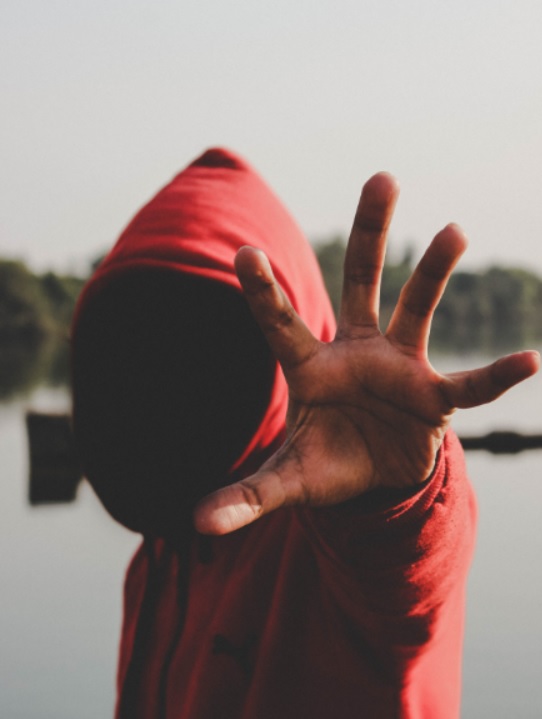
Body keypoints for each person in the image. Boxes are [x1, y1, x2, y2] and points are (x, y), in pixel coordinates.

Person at [71, 148, 539, 719]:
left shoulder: (337, 543)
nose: (167, 374)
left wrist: (391, 499)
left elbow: (409, 586)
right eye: (138, 344)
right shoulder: (160, 557)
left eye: (203, 341)